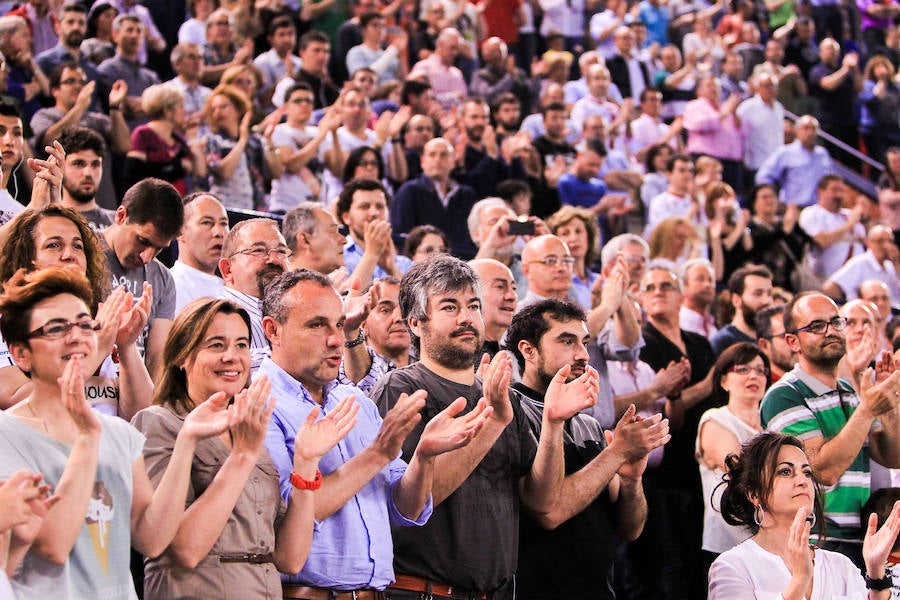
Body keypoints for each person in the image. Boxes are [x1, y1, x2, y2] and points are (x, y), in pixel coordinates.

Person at [368, 254, 600, 598]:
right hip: (423, 592)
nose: (466, 318)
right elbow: (411, 504)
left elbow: (543, 502)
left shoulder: (505, 397)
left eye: (473, 305)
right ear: (416, 323)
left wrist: (552, 422)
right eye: (449, 307)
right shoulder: (399, 389)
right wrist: (491, 421)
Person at [259, 268, 490, 596]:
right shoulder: (258, 404)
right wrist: (376, 454)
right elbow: (284, 519)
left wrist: (424, 457)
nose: (335, 339)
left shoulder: (354, 399)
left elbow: (404, 509)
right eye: (316, 325)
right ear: (273, 330)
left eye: (339, 324)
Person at [0, 268, 228, 599]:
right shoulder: (7, 433)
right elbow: (51, 545)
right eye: (56, 328)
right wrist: (89, 438)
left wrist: (187, 440)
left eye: (84, 324)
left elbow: (151, 538)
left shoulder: (119, 433)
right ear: (21, 354)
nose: (76, 337)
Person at [132, 298, 357, 598]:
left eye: (241, 345)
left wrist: (305, 463)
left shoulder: (248, 430)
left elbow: (289, 558)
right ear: (181, 357)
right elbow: (183, 549)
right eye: (216, 345)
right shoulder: (158, 423)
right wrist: (242, 456)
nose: (232, 357)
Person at [507, 299, 669, 599]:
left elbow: (630, 530)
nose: (582, 355)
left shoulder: (590, 426)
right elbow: (548, 512)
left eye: (584, 342)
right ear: (528, 350)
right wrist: (616, 453)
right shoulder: (512, 413)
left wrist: (632, 480)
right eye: (567, 342)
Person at [761, 292, 900, 566]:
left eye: (836, 323)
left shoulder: (848, 391)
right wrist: (869, 409)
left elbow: (892, 456)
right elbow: (823, 471)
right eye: (816, 326)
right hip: (815, 540)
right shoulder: (784, 395)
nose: (830, 332)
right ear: (792, 341)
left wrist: (891, 406)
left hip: (859, 538)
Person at [708, 432, 900, 599]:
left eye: (807, 472)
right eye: (785, 471)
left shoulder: (840, 565)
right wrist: (799, 580)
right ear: (754, 494)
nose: (802, 480)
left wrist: (876, 574)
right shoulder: (732, 566)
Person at [102, 178, 182, 381]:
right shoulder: (81, 253)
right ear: (121, 216)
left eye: (159, 249)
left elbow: (156, 361)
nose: (147, 257)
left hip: (135, 395)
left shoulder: (163, 279)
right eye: (143, 241)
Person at [696, 343, 769, 566]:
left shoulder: (772, 425)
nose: (753, 376)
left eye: (760, 370)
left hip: (769, 543)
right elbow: (740, 471)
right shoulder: (715, 419)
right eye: (743, 369)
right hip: (726, 544)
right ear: (724, 380)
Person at [218, 218, 290, 372]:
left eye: (281, 251)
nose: (275, 259)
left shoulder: (291, 315)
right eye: (258, 250)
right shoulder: (216, 317)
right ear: (227, 269)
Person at [391, 137, 479, 260]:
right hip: (422, 264)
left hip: (462, 263)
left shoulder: (466, 194)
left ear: (453, 161)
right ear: (422, 161)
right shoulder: (409, 191)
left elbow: (472, 238)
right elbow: (401, 237)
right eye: (432, 155)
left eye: (443, 155)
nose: (437, 160)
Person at [204, 84, 281, 211]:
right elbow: (224, 172)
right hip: (227, 210)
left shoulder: (255, 141)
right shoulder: (213, 140)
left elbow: (276, 173)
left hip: (257, 210)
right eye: (213, 109)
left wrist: (268, 139)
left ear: (238, 109)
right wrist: (242, 141)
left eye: (223, 106)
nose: (218, 112)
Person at [124, 82, 206, 194]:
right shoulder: (143, 134)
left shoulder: (178, 139)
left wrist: (192, 137)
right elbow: (134, 176)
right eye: (181, 106)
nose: (185, 111)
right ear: (167, 111)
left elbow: (200, 172)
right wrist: (176, 167)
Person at [755, 115, 835, 207]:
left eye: (813, 129)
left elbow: (831, 181)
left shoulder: (822, 154)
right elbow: (763, 176)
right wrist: (773, 198)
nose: (810, 132)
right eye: (806, 128)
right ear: (797, 131)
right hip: (794, 207)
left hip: (818, 209)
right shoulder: (785, 152)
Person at [170, 192, 228, 313]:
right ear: (180, 232)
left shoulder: (231, 288)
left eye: (223, 223)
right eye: (207, 222)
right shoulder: (170, 287)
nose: (219, 232)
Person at [55, 127, 116, 230]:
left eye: (95, 164)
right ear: (60, 166)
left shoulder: (117, 222)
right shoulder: (48, 222)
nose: (88, 173)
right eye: (78, 164)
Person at [824, 224, 900, 304]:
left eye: (890, 241)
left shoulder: (890, 265)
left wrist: (897, 264)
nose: (886, 246)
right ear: (869, 243)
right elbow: (831, 288)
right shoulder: (860, 263)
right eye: (880, 241)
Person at [710, 265, 774, 354]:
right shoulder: (723, 342)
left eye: (769, 294)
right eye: (758, 294)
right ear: (736, 300)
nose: (767, 301)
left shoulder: (773, 339)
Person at [546, 205, 600, 311]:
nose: (573, 238)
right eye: (565, 233)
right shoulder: (556, 283)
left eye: (578, 231)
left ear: (589, 236)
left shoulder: (601, 280)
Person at [470, 258, 517, 359]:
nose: (511, 296)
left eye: (514, 288)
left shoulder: (517, 357)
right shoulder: (458, 359)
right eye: (500, 286)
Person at [283, 202, 347, 276]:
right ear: (304, 240)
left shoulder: (335, 284)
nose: (344, 240)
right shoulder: (281, 286)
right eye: (333, 232)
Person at [756, 304, 798, 382]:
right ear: (764, 345)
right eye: (784, 336)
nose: (795, 341)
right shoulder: (762, 387)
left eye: (796, 333)